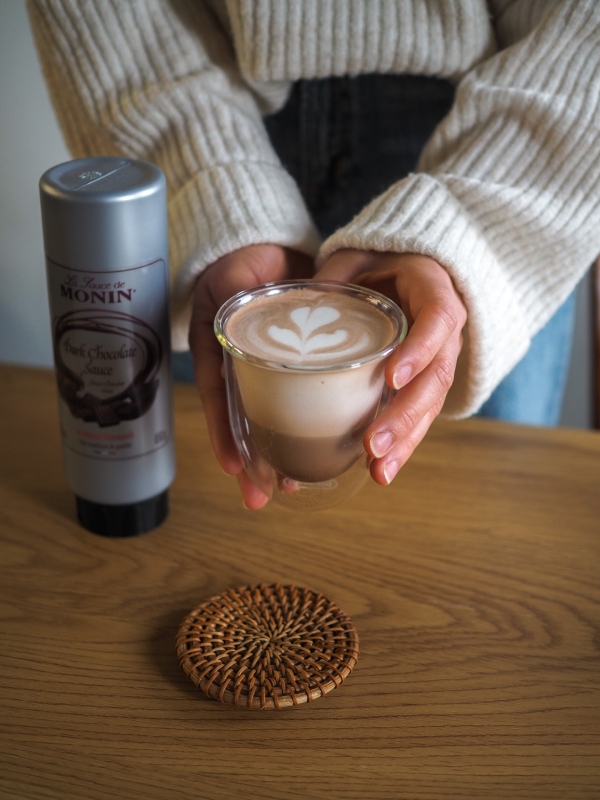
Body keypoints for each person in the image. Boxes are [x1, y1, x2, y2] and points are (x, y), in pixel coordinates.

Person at [27, 0, 600, 508]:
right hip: (213, 107)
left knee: (490, 503)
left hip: (495, 133)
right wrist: (209, 181)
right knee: (198, 507)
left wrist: (469, 223)